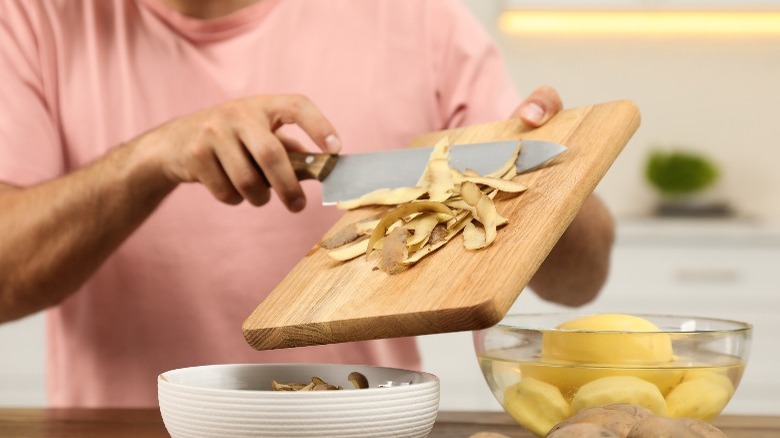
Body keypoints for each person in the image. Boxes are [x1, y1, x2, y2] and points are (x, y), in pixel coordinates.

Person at [0, 0, 615, 407]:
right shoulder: (31, 18)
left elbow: (582, 279)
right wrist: (145, 161)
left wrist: (550, 180)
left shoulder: (418, 17)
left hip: (366, 420)